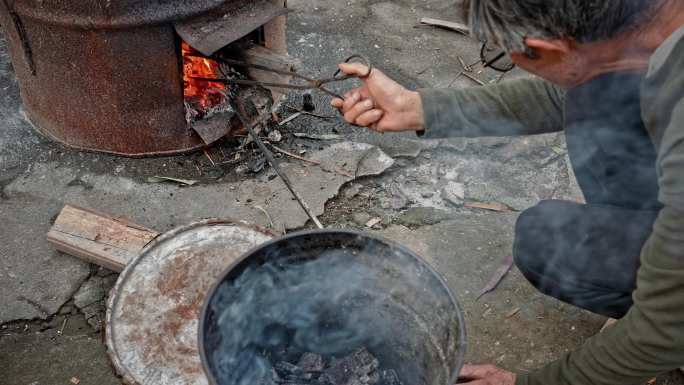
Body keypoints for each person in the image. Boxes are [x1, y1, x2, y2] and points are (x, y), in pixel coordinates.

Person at [331, 0, 684, 384]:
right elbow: (569, 91)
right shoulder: (648, 26)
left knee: (649, 313)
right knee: (592, 105)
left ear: (549, 48)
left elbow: (666, 324)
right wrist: (420, 108)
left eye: (503, 54)